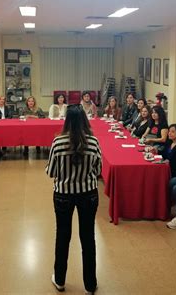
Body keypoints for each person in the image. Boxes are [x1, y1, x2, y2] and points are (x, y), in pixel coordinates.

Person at [46, 105, 102, 295]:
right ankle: (90, 285)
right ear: (85, 121)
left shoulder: (58, 142)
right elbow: (98, 169)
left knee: (62, 236)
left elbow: (51, 172)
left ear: (66, 120)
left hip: (63, 194)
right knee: (88, 238)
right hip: (88, 194)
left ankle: (60, 280)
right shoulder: (93, 142)